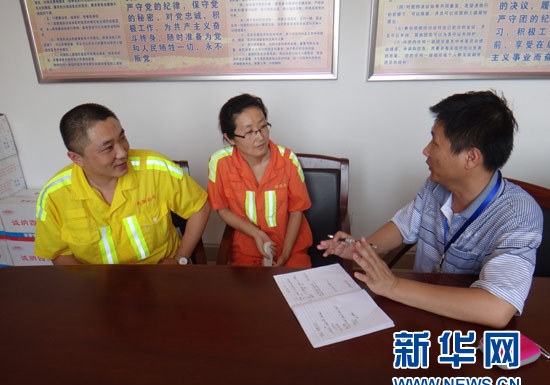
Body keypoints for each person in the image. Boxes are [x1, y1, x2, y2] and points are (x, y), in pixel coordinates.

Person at [318, 90, 543, 328]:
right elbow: (403, 226)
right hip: (417, 314)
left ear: (471, 157)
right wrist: (361, 249)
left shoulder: (519, 216)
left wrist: (393, 286)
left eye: (435, 142)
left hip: (466, 330)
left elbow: (497, 308)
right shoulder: (436, 187)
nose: (426, 151)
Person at [35, 103, 210, 265]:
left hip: (160, 272)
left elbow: (199, 207)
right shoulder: (54, 196)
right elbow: (59, 252)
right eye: (108, 148)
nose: (122, 152)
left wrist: (180, 258)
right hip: (98, 282)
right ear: (77, 158)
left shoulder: (155, 168)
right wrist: (90, 284)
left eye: (122, 138)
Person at [207, 93, 312, 267]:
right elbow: (222, 209)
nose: (260, 137)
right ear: (230, 138)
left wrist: (285, 255)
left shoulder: (288, 160)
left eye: (263, 126)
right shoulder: (219, 163)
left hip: (290, 248)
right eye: (249, 132)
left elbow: (296, 211)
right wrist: (255, 233)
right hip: (247, 250)